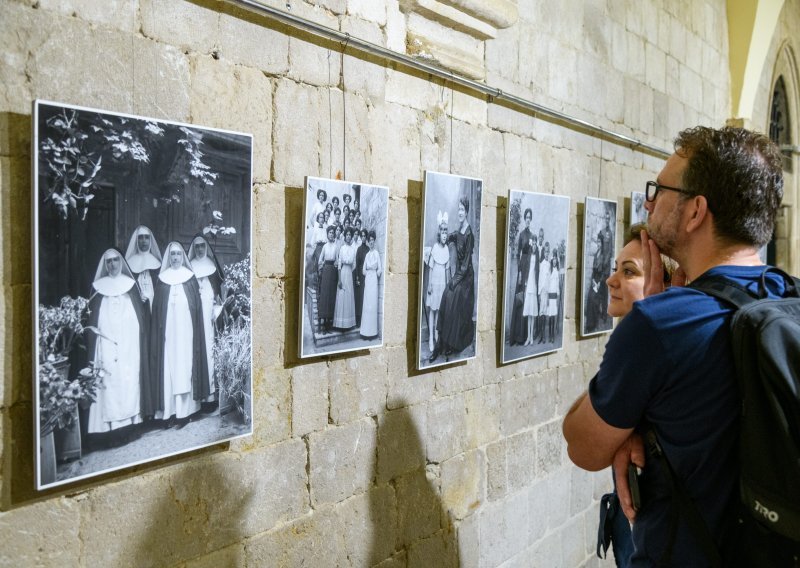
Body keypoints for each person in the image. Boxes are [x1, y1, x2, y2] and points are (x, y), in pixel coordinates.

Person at [563, 126, 787, 566]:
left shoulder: (659, 323)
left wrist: (629, 416)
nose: (649, 203)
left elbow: (583, 446)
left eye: (660, 190)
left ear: (695, 211)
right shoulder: (791, 297)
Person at [86, 249, 149, 441]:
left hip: (129, 345)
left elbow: (141, 317)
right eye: (109, 262)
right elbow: (92, 320)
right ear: (105, 265)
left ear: (121, 262)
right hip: (105, 344)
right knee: (109, 382)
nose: (113, 265)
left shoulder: (130, 285)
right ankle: (109, 431)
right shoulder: (99, 288)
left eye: (115, 260)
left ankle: (131, 425)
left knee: (129, 382)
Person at [149, 242, 210, 428]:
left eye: (178, 254)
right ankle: (170, 413)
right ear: (169, 257)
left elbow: (196, 308)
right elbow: (158, 309)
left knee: (185, 367)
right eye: (172, 254)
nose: (175, 257)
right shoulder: (163, 279)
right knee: (168, 369)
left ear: (182, 256)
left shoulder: (190, 278)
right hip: (167, 335)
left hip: (186, 334)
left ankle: (186, 413)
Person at [430, 197, 475, 363]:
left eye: (462, 209)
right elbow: (451, 236)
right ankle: (441, 343)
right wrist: (441, 238)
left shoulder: (469, 233)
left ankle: (450, 342)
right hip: (459, 275)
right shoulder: (460, 230)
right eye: (459, 210)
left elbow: (464, 265)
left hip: (467, 278)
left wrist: (454, 281)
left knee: (453, 296)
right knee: (445, 296)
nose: (460, 212)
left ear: (467, 211)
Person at [188, 235, 224, 405]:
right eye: (197, 247)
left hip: (210, 317)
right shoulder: (190, 267)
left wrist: (217, 308)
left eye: (202, 246)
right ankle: (200, 398)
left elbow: (218, 294)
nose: (200, 249)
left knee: (211, 351)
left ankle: (212, 396)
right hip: (194, 317)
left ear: (206, 247)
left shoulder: (212, 266)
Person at [425, 212, 450, 353]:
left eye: (446, 231)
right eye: (442, 231)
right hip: (434, 283)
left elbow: (447, 271)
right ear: (439, 233)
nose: (444, 234)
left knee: (440, 310)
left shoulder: (447, 250)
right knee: (432, 310)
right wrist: (429, 285)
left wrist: (447, 289)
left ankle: (437, 336)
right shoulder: (435, 248)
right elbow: (430, 268)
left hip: (442, 285)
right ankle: (430, 338)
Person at [509, 207, 534, 346]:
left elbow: (533, 254)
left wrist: (529, 274)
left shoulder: (532, 236)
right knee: (519, 299)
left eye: (530, 217)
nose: (528, 220)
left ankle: (524, 336)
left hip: (529, 269)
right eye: (527, 217)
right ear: (524, 219)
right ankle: (515, 336)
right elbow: (518, 254)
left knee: (526, 301)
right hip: (522, 268)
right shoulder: (522, 235)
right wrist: (519, 273)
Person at [586, 208, 613, 332]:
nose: (607, 220)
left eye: (608, 219)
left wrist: (605, 263)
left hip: (606, 267)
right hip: (600, 265)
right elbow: (599, 248)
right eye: (605, 218)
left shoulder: (610, 233)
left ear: (609, 220)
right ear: (604, 220)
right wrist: (600, 262)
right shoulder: (601, 232)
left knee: (604, 291)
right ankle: (597, 313)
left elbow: (610, 251)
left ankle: (604, 315)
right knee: (598, 290)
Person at [124, 225, 162, 310]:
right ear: (136, 240)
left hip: (154, 303)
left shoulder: (157, 263)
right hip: (136, 304)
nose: (144, 240)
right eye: (141, 237)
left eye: (147, 237)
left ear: (150, 240)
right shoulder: (130, 263)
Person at [333, 227, 357, 329]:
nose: (348, 236)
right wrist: (339, 279)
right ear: (345, 236)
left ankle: (348, 324)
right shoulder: (342, 248)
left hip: (349, 274)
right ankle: (340, 324)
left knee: (348, 297)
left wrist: (349, 272)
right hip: (342, 273)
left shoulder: (353, 249)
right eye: (346, 235)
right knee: (341, 296)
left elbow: (354, 264)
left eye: (349, 235)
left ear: (351, 237)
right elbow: (339, 264)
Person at [360, 230, 382, 339]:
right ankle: (365, 332)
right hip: (368, 280)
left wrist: (374, 271)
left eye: (373, 240)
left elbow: (380, 269)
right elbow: (363, 270)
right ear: (368, 242)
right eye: (370, 240)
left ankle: (372, 333)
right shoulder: (367, 255)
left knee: (373, 305)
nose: (371, 242)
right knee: (367, 305)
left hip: (374, 281)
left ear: (375, 241)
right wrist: (369, 270)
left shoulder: (377, 253)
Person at [316, 225, 338, 333]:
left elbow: (338, 259)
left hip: (333, 272)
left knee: (331, 297)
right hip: (325, 272)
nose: (331, 234)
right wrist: (323, 266)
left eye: (333, 233)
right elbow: (320, 260)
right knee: (325, 296)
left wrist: (336, 265)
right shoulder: (324, 247)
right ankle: (324, 324)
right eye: (330, 232)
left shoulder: (336, 246)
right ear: (327, 234)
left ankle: (329, 324)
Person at [536, 242, 551, 344]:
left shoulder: (549, 264)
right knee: (541, 312)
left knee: (545, 312)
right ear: (543, 252)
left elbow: (549, 280)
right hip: (541, 291)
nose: (546, 253)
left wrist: (549, 294)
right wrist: (539, 293)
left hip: (547, 291)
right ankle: (541, 335)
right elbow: (540, 279)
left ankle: (544, 336)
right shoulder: (541, 265)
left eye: (548, 252)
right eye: (545, 251)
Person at [354, 228, 369, 326]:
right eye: (361, 236)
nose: (363, 238)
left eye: (364, 236)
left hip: (366, 275)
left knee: (365, 297)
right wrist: (357, 277)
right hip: (360, 274)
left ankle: (365, 319)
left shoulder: (368, 249)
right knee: (359, 298)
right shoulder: (359, 249)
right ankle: (358, 320)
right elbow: (356, 263)